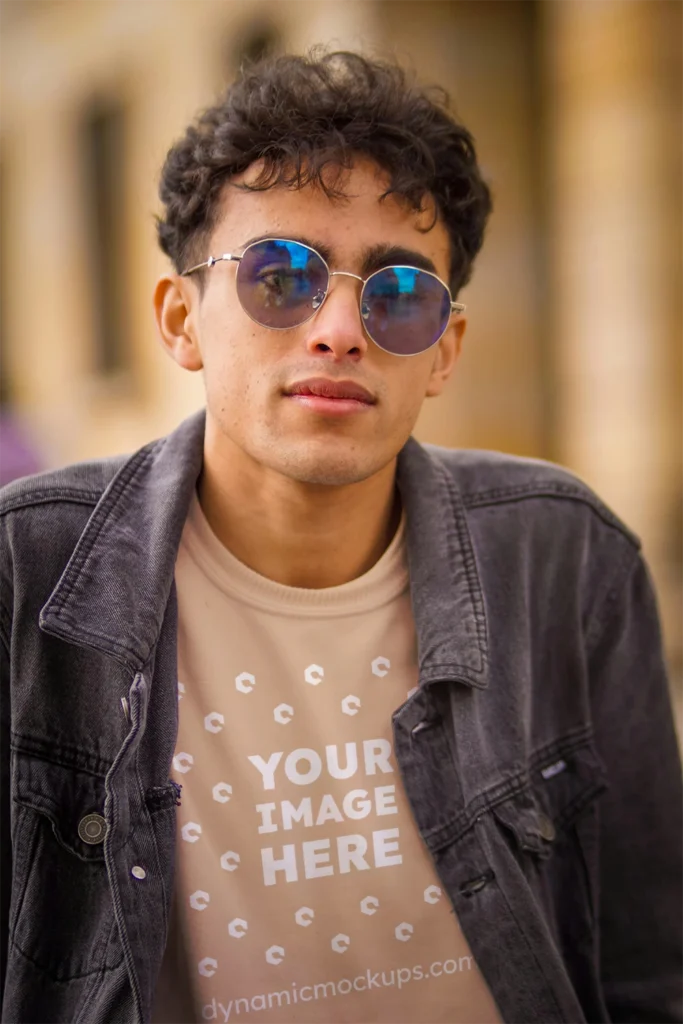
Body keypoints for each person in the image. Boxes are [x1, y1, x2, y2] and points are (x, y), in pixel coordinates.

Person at [0, 50, 681, 1024]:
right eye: (280, 276)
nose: (338, 328)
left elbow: (646, 973)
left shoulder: (563, 557)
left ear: (442, 349)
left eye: (398, 293)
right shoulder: (26, 574)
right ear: (180, 318)